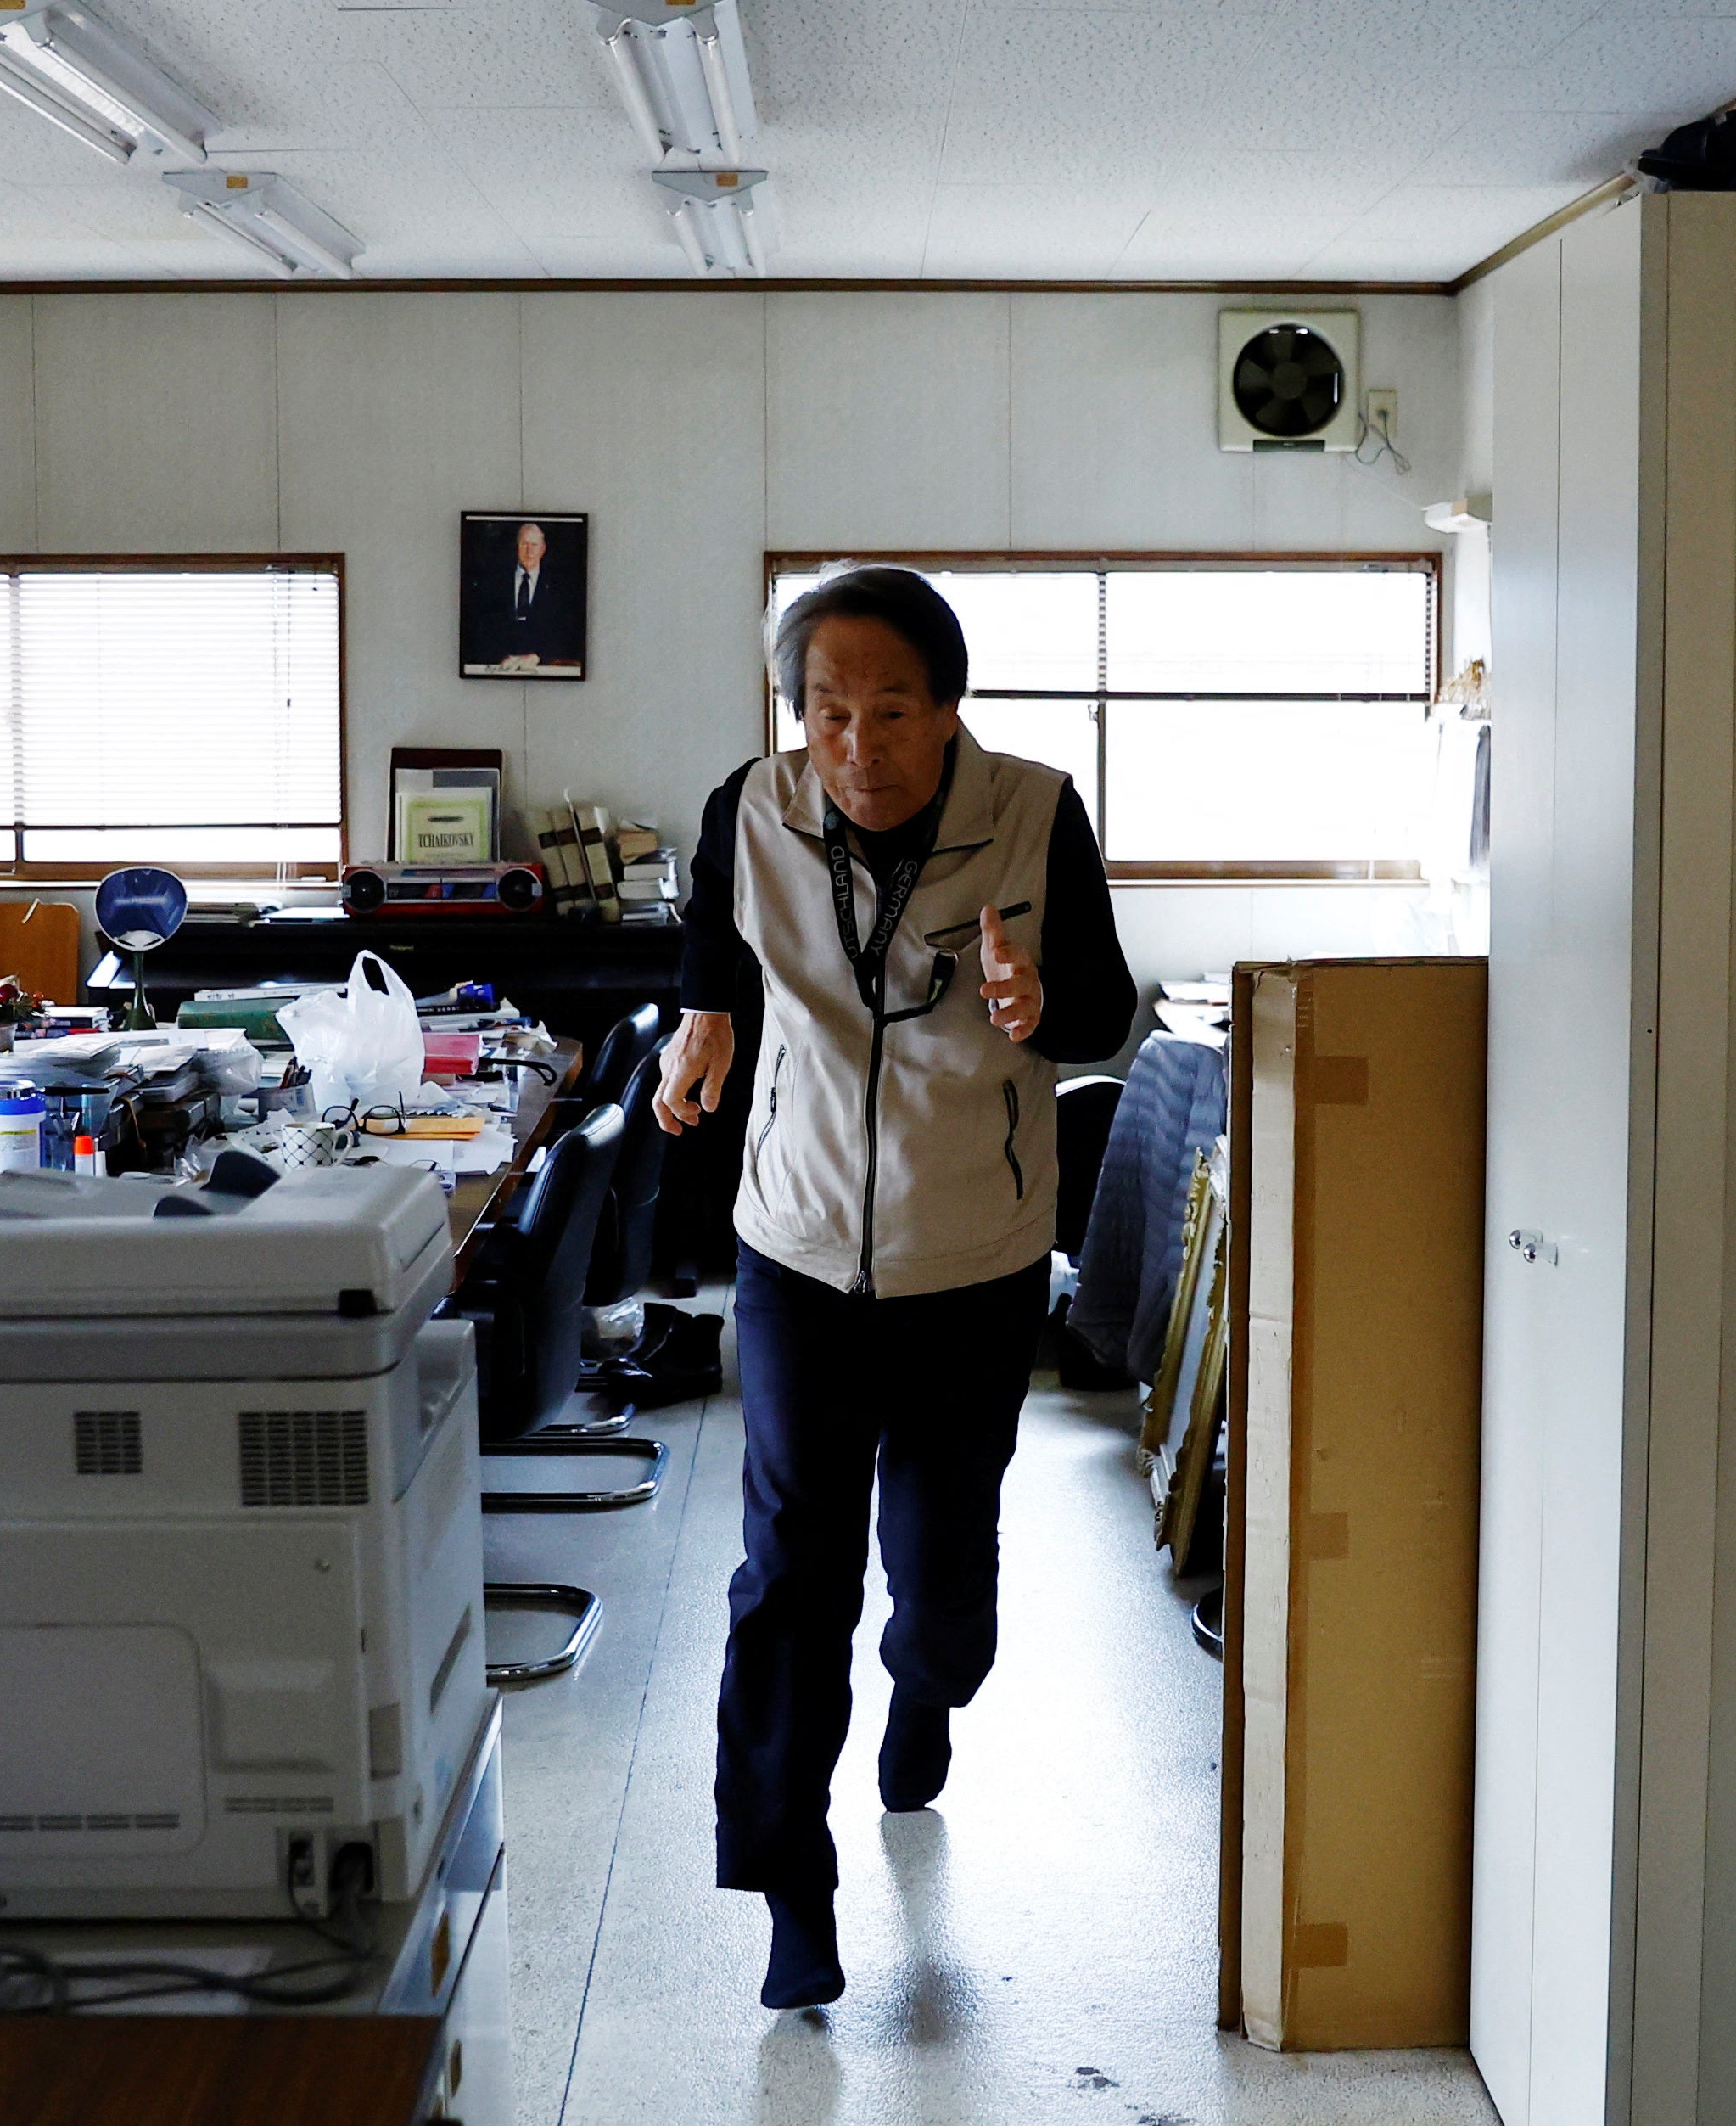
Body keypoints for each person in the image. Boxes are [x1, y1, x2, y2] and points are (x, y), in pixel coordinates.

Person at [658, 565, 1136, 2010]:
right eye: (824, 709)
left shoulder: (1036, 813)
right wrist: (702, 1024)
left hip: (973, 1258)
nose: (852, 741)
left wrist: (1043, 1004)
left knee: (942, 1576)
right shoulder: (754, 804)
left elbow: (1113, 1006)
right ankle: (791, 1891)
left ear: (946, 709)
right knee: (792, 1571)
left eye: (887, 708)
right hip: (798, 1246)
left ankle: (926, 1687)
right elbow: (713, 930)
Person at [468, 519, 581, 670]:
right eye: (524, 544)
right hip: (500, 667)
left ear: (543, 549)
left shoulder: (560, 587)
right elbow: (481, 627)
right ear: (517, 547)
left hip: (545, 669)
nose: (529, 551)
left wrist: (539, 657)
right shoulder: (494, 583)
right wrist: (501, 657)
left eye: (534, 545)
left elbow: (566, 632)